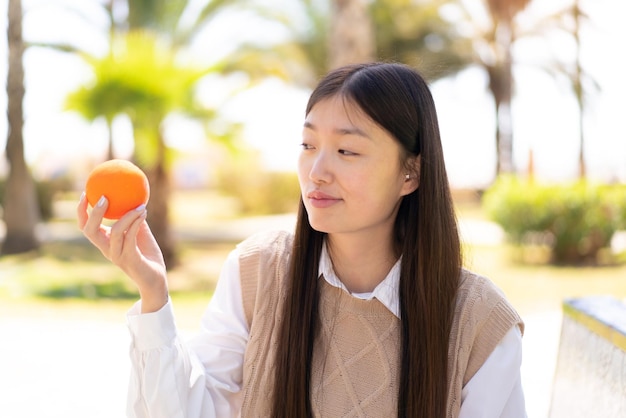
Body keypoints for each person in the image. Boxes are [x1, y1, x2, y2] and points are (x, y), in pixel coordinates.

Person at [78, 62, 526, 418]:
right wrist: (153, 293)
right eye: (308, 146)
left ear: (411, 172)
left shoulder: (479, 322)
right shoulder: (258, 272)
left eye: (346, 150)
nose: (317, 172)